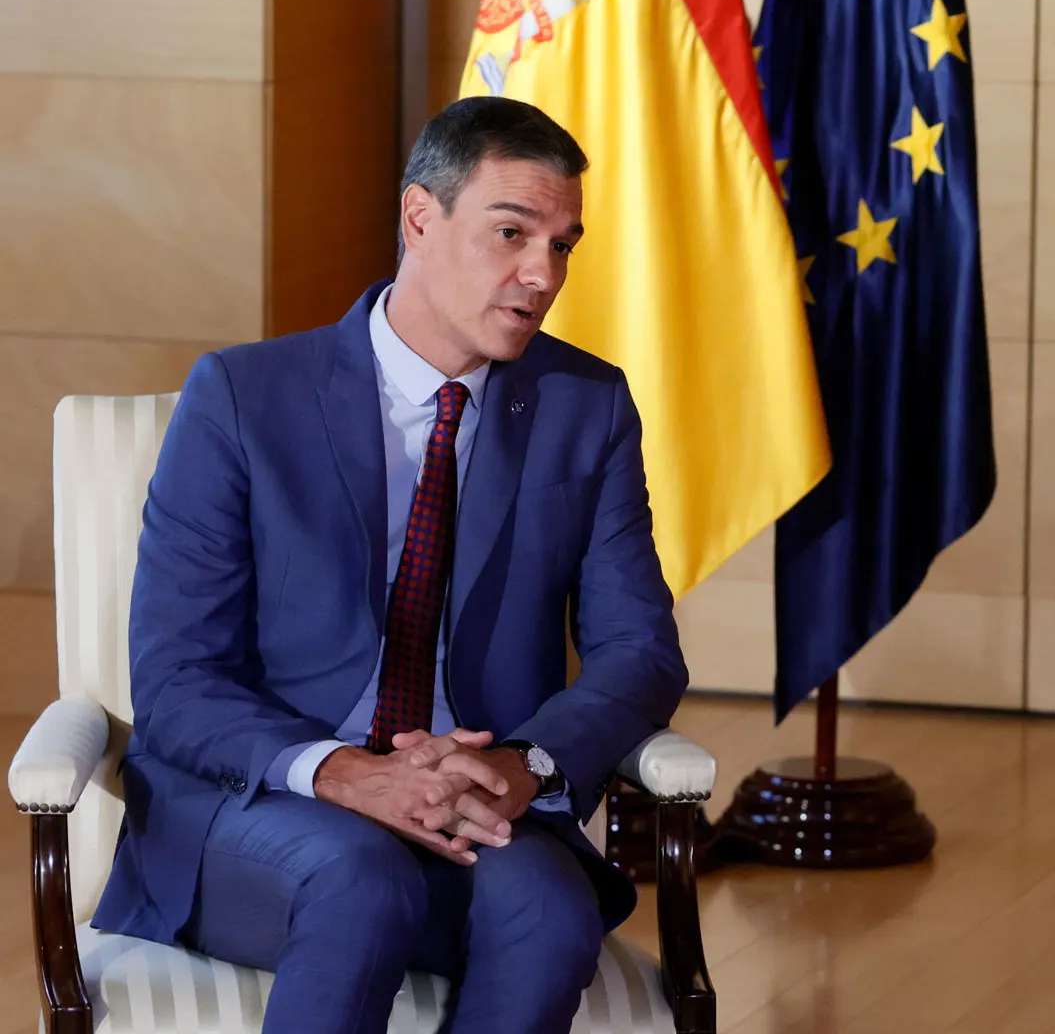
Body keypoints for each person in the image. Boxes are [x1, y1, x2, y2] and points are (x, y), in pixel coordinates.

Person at [92, 96, 690, 1033]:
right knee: (360, 877)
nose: (543, 274)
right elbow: (174, 679)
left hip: (481, 795)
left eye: (564, 245)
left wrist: (524, 765)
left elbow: (639, 652)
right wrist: (341, 773)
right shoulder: (245, 398)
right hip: (266, 803)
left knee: (548, 911)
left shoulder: (588, 406)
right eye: (511, 234)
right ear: (420, 217)